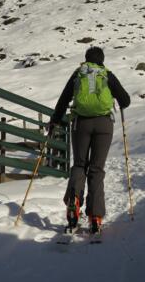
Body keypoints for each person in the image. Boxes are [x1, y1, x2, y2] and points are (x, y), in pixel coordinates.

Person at [48, 46, 130, 234]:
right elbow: (125, 100)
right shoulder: (106, 74)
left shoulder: (78, 74)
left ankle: (74, 201)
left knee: (79, 165)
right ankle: (95, 216)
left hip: (81, 124)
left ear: (86, 59)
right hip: (104, 124)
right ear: (102, 59)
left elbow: (63, 100)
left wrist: (54, 120)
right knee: (96, 168)